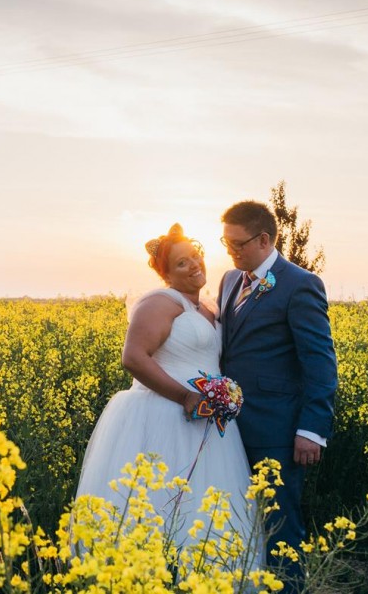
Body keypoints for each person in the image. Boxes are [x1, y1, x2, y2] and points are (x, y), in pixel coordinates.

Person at [74, 223, 261, 563]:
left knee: (210, 500)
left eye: (195, 256)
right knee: (163, 499)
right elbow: (133, 358)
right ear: (167, 275)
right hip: (166, 414)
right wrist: (186, 396)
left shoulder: (207, 307)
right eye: (181, 263)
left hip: (210, 420)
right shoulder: (160, 303)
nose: (194, 265)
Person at [217, 201, 338, 590]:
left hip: (277, 428)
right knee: (238, 518)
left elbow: (319, 362)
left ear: (264, 239)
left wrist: (312, 429)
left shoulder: (299, 283)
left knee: (280, 526)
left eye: (237, 243)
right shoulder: (229, 280)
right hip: (229, 426)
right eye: (225, 242)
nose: (230, 251)